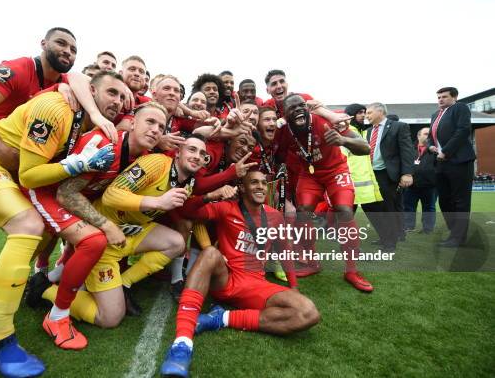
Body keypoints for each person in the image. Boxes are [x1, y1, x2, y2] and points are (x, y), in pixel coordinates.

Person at [0, 27, 117, 325]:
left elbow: (85, 79)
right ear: (43, 44)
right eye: (61, 44)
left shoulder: (70, 83)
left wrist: (84, 103)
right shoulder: (20, 69)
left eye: (73, 49)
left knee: (43, 222)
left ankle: (28, 279)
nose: (67, 51)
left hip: (23, 160)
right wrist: (1, 151)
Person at [0, 80, 116, 377]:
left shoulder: (80, 120)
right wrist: (78, 164)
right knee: (28, 224)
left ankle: (39, 285)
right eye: (113, 92)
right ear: (90, 91)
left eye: (125, 98)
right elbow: (30, 174)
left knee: (38, 229)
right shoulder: (57, 109)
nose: (120, 102)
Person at [25, 101, 166, 350]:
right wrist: (106, 224)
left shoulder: (142, 156)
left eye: (161, 126)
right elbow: (66, 194)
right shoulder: (105, 143)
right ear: (132, 123)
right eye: (150, 122)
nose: (156, 130)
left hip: (77, 197)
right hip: (50, 192)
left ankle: (46, 284)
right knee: (94, 240)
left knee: (85, 248)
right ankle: (57, 316)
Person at [30, 135, 208, 327]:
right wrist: (157, 202)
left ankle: (124, 283)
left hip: (132, 232)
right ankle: (45, 288)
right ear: (178, 152)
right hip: (105, 237)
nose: (197, 156)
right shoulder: (157, 163)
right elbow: (111, 195)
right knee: (110, 318)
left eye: (202, 154)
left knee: (176, 243)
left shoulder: (188, 183)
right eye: (192, 149)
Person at [160, 171, 320, 377]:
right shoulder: (227, 208)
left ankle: (221, 318)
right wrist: (210, 196)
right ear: (242, 188)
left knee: (309, 314)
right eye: (253, 182)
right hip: (226, 279)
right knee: (210, 253)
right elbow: (186, 210)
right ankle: (182, 345)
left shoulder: (275, 216)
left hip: (255, 284)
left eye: (263, 183)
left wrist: (294, 287)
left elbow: (284, 251)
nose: (260, 187)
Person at [278, 95, 373, 291]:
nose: (297, 110)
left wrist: (343, 140)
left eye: (301, 105)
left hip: (335, 170)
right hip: (310, 174)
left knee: (344, 210)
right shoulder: (284, 131)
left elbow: (365, 148)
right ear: (285, 115)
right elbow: (277, 154)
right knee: (303, 210)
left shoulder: (324, 120)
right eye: (292, 108)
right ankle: (312, 262)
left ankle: (351, 271)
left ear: (308, 108)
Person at [428, 87, 475, 247]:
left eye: (444, 97)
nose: (440, 99)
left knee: (460, 201)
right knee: (445, 201)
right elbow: (430, 137)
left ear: (454, 97)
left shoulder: (459, 108)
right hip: (441, 163)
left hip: (459, 161)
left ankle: (458, 238)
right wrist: (430, 147)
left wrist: (446, 151)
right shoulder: (436, 114)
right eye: (439, 97)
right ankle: (454, 234)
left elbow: (463, 131)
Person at [366, 102, 414, 250]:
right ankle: (384, 237)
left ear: (380, 112)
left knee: (388, 208)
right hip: (371, 174)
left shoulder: (399, 127)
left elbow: (407, 151)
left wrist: (407, 173)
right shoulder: (369, 131)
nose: (367, 116)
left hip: (388, 175)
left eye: (369, 113)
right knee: (373, 208)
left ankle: (390, 242)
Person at [343, 104, 389, 245]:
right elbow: (342, 157)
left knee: (370, 214)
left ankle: (387, 241)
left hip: (364, 182)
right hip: (353, 181)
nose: (363, 115)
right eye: (360, 112)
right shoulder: (348, 132)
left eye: (365, 112)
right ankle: (386, 241)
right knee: (348, 216)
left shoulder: (362, 131)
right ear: (351, 115)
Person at [403, 127, 437, 234]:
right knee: (408, 207)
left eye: (429, 134)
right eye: (426, 134)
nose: (428, 136)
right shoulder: (410, 148)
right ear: (418, 136)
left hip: (429, 184)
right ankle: (409, 226)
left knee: (429, 208)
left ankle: (427, 229)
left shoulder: (435, 150)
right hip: (411, 184)